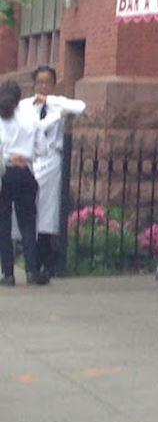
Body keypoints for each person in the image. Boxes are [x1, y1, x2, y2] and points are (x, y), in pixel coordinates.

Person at [19, 67, 84, 284]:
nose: (43, 86)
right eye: (40, 82)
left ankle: (48, 261)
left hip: (53, 160)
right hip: (32, 160)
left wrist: (54, 105)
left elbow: (80, 106)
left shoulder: (57, 102)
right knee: (31, 210)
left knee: (48, 212)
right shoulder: (27, 105)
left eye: (47, 82)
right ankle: (32, 260)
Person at [0, 80, 37, 288]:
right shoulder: (28, 119)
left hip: (4, 174)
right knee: (27, 223)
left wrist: (7, 156)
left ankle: (8, 274)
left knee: (3, 225)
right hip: (24, 172)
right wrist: (24, 156)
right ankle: (32, 270)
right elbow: (39, 148)